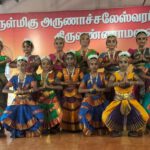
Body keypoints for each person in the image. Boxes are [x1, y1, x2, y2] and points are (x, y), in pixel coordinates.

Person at [102, 51, 149, 137]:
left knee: (145, 115)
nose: (123, 64)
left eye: (125, 62)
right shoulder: (115, 74)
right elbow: (109, 85)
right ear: (118, 64)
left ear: (128, 63)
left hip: (131, 100)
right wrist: (118, 83)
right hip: (117, 101)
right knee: (105, 116)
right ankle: (116, 130)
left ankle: (133, 130)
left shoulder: (132, 74)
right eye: (121, 62)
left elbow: (141, 82)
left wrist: (130, 82)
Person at [1, 56, 44, 138]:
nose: (21, 67)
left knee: (39, 116)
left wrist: (26, 91)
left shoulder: (30, 77)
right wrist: (14, 91)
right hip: (17, 100)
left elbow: (35, 89)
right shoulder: (14, 78)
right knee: (5, 117)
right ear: (17, 66)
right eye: (19, 65)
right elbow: (4, 89)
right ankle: (19, 132)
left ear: (27, 65)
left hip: (28, 100)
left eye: (23, 65)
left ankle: (27, 132)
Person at [78, 54, 108, 136]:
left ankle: (100, 129)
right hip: (89, 98)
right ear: (89, 65)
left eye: (96, 64)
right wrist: (89, 90)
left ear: (98, 65)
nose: (94, 66)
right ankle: (88, 128)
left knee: (104, 113)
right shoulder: (86, 76)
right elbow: (80, 90)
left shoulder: (102, 76)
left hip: (100, 98)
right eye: (92, 64)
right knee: (82, 114)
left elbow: (108, 89)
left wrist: (99, 89)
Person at [56, 50, 83, 132]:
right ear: (65, 61)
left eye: (71, 59)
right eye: (67, 59)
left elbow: (83, 80)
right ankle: (66, 127)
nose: (69, 61)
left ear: (74, 60)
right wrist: (64, 83)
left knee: (77, 106)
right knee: (65, 107)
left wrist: (76, 82)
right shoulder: (62, 70)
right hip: (66, 91)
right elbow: (56, 80)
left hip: (76, 91)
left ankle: (78, 127)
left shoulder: (79, 70)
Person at [36, 56, 62, 134]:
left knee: (54, 112)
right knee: (42, 112)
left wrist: (50, 87)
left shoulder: (54, 75)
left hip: (52, 97)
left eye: (48, 64)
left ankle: (53, 127)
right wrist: (40, 88)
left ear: (51, 66)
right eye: (44, 64)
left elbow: (60, 87)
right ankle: (44, 127)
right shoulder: (37, 76)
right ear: (40, 65)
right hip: (41, 97)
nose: (46, 65)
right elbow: (35, 88)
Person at [128, 30, 150, 102]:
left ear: (146, 39)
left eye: (143, 38)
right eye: (139, 39)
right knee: (136, 95)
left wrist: (146, 60)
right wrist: (137, 60)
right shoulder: (132, 51)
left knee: (146, 96)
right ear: (136, 40)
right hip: (136, 75)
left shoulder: (149, 50)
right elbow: (127, 61)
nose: (142, 40)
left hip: (148, 75)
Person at [99, 34, 121, 102]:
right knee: (107, 93)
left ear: (116, 43)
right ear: (106, 44)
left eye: (113, 41)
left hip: (118, 75)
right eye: (109, 41)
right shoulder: (103, 54)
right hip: (107, 75)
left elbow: (124, 63)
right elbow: (98, 65)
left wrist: (116, 63)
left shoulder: (120, 53)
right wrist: (109, 63)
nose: (111, 43)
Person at [0, 40, 11, 137]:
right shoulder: (4, 59)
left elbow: (12, 63)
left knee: (3, 104)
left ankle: (2, 127)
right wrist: (5, 61)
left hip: (2, 80)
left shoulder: (5, 57)